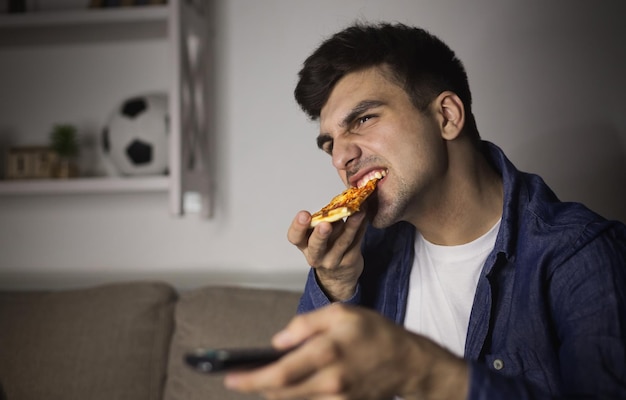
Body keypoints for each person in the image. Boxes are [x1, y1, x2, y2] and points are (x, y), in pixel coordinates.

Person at [224, 22, 626, 399]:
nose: (341, 157)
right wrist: (333, 285)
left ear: (447, 116)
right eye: (330, 144)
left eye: (363, 119)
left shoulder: (583, 255)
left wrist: (424, 370)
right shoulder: (364, 256)